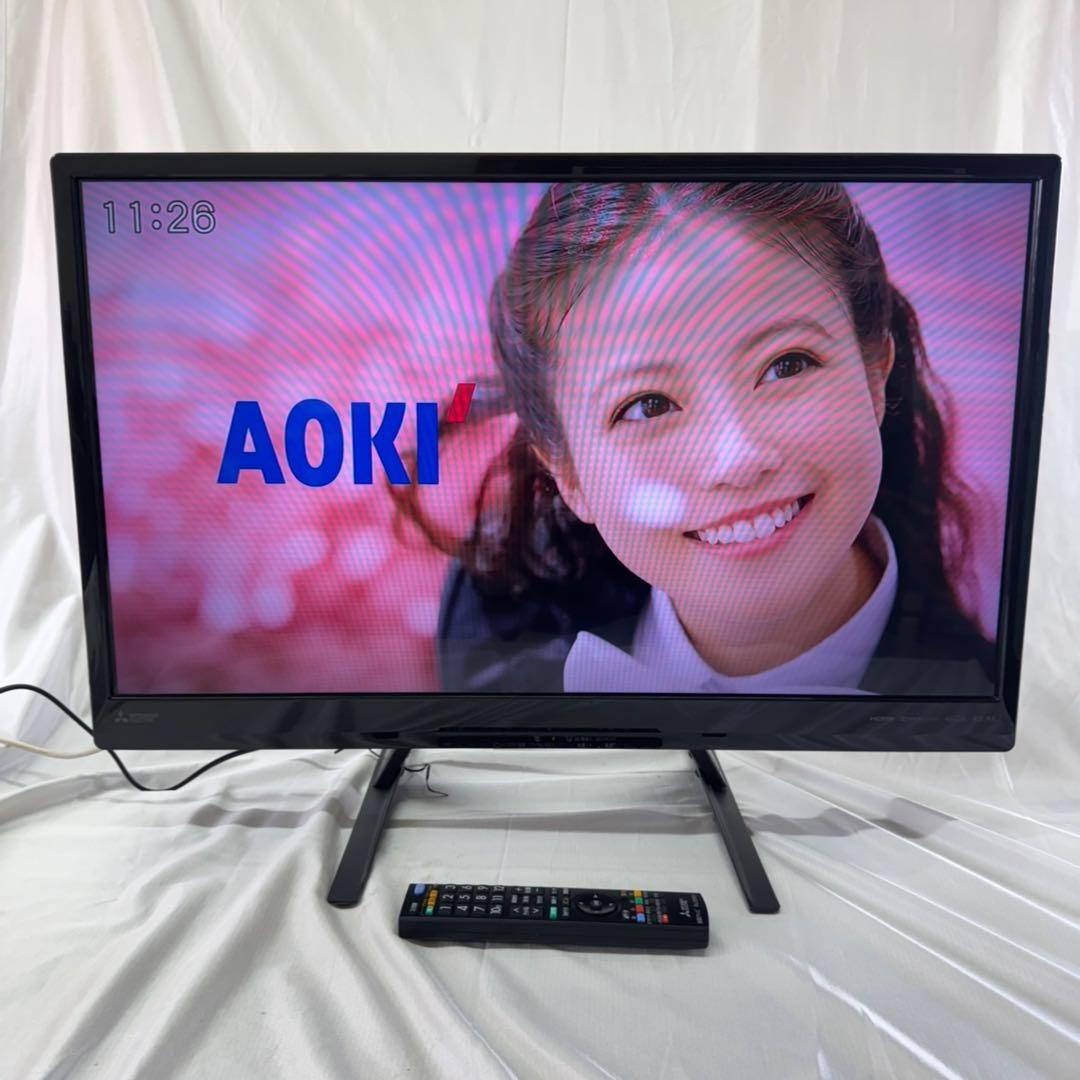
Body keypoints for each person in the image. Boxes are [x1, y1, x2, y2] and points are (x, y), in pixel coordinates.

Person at [402, 181, 996, 696]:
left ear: (874, 375)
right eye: (647, 406)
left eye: (787, 365)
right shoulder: (495, 621)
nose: (736, 459)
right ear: (570, 474)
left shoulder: (986, 704)